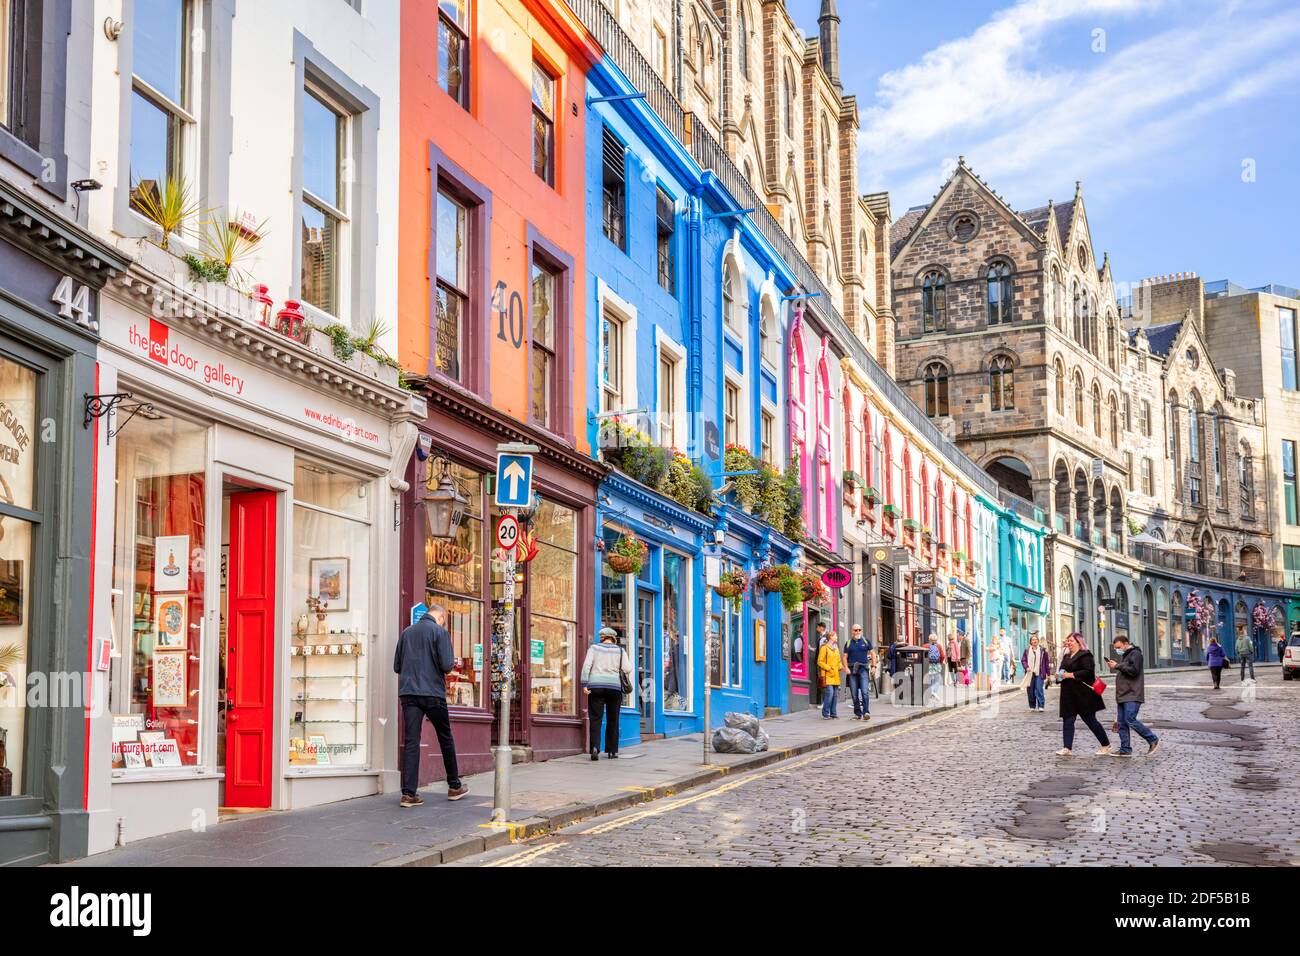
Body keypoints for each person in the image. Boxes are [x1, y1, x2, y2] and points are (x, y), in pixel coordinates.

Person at [394, 603, 468, 807]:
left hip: (409, 693)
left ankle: (409, 794)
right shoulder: (440, 632)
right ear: (441, 617)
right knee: (445, 737)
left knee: (411, 741)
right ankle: (454, 786)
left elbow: (397, 666)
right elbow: (446, 665)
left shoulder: (406, 633)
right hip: (433, 693)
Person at [1054, 631, 1110, 757]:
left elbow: (1088, 672)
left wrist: (1071, 675)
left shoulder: (1086, 655)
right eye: (1067, 641)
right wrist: (1058, 676)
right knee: (1068, 720)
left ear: (1079, 642)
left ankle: (1106, 745)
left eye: (1071, 641)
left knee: (1090, 720)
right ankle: (1067, 748)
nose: (1069, 643)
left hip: (1084, 695)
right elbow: (1062, 670)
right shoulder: (1066, 656)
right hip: (1068, 694)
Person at [581, 626, 634, 759]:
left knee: (595, 718)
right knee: (613, 719)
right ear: (613, 638)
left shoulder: (594, 648)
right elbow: (627, 668)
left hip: (596, 686)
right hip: (614, 688)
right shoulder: (620, 651)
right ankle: (612, 751)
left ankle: (594, 747)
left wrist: (584, 684)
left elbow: (586, 666)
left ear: (602, 637)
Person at [1105, 634, 1160, 757]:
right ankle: (1125, 748)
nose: (1117, 650)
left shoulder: (1136, 654)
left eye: (1119, 647)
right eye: (1115, 648)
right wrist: (1117, 665)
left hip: (1132, 694)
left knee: (1130, 719)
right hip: (1123, 695)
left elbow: (1134, 671)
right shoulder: (1125, 655)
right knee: (1121, 723)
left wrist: (1117, 666)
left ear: (1125, 644)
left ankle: (1152, 739)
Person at [845, 625, 873, 720]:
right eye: (855, 630)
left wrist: (874, 666)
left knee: (865, 692)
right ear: (852, 631)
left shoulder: (866, 641)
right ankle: (857, 713)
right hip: (852, 670)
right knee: (854, 693)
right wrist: (846, 667)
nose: (857, 632)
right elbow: (844, 657)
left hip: (863, 670)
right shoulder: (848, 643)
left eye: (859, 630)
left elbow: (873, 653)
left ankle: (866, 712)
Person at [817, 632, 846, 718]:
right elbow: (819, 661)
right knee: (830, 693)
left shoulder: (836, 648)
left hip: (836, 675)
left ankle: (833, 713)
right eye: (835, 636)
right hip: (827, 675)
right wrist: (828, 668)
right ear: (830, 637)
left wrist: (841, 666)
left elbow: (839, 661)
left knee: (835, 695)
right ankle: (825, 713)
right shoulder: (824, 648)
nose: (837, 637)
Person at [1021, 633, 1050, 712]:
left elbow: (1046, 662)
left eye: (1036, 640)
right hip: (1030, 673)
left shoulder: (1043, 650)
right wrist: (1026, 667)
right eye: (1033, 640)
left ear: (1038, 641)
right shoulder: (1027, 650)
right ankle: (1032, 706)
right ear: (1030, 642)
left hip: (1040, 672)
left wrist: (1048, 674)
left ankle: (1041, 705)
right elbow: (1023, 660)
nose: (1035, 641)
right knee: (1030, 690)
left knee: (1039, 688)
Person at [924, 633, 945, 702]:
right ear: (936, 639)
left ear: (929, 639)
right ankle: (933, 692)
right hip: (936, 664)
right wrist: (940, 663)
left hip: (928, 665)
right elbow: (942, 656)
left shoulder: (925, 646)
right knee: (937, 680)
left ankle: (931, 692)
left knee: (929, 679)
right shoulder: (939, 646)